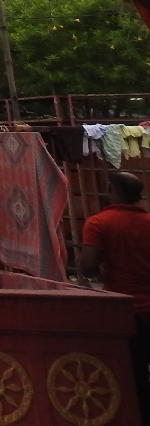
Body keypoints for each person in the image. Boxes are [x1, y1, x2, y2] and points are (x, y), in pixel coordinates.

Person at [78, 170, 150, 426]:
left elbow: (88, 265)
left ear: (111, 191)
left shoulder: (99, 223)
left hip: (127, 311)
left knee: (133, 374)